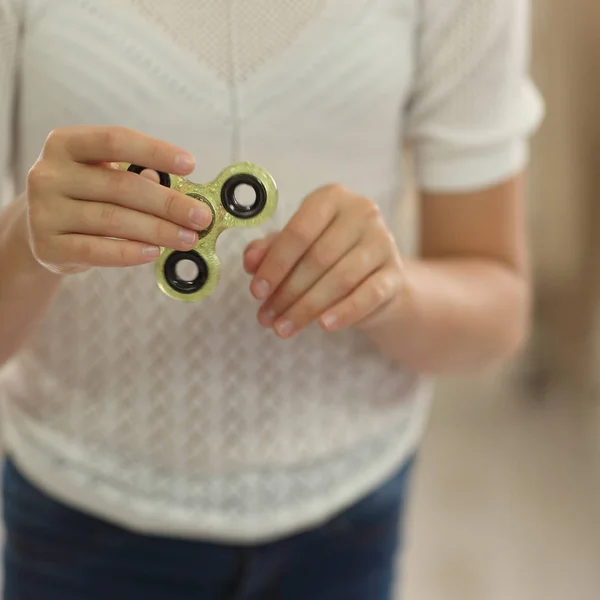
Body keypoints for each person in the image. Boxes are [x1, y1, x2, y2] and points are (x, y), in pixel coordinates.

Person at [0, 1, 543, 598]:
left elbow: (499, 311)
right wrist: (28, 243)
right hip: (78, 513)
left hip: (348, 518)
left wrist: (387, 291)